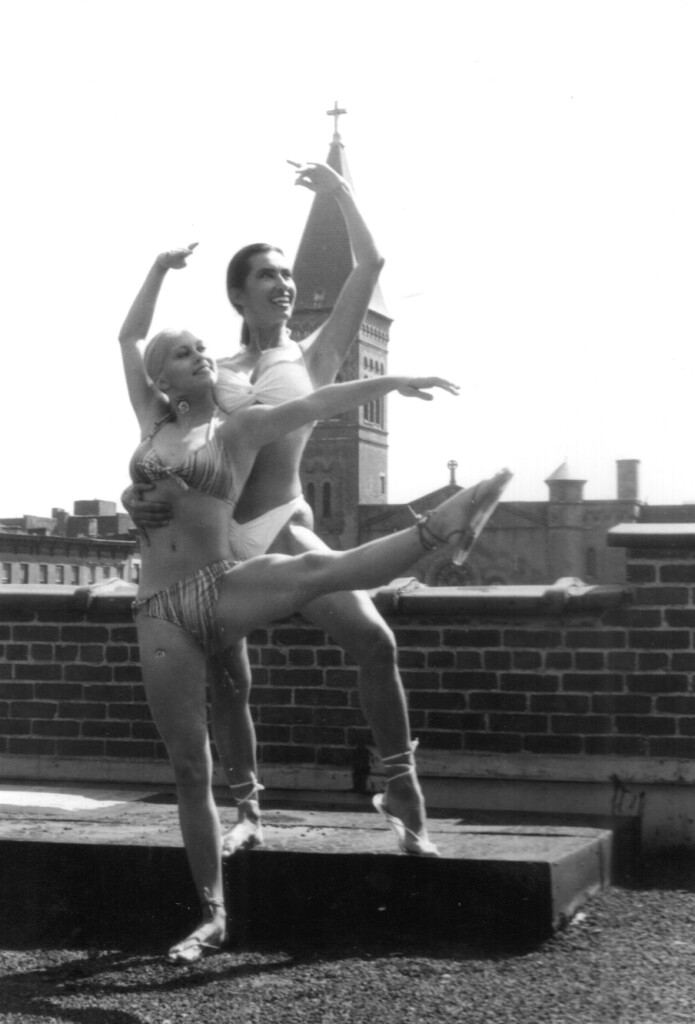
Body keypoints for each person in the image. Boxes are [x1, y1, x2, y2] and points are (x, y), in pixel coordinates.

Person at [119, 240, 511, 963]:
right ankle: (217, 899)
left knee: (321, 575)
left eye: (201, 348)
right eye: (183, 352)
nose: (198, 356)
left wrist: (397, 379)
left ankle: (439, 526)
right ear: (162, 375)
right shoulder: (161, 414)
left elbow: (318, 400)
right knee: (200, 745)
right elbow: (128, 339)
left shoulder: (242, 419)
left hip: (221, 574)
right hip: (165, 601)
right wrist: (159, 269)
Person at [124, 160, 469, 859]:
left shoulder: (314, 355)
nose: (283, 284)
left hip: (283, 524)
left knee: (375, 641)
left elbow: (370, 265)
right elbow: (170, 440)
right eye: (268, 276)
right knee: (229, 683)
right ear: (238, 295)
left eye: (287, 275)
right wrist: (136, 496)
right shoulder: (213, 368)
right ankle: (248, 812)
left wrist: (339, 193)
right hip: (220, 542)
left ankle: (401, 787)